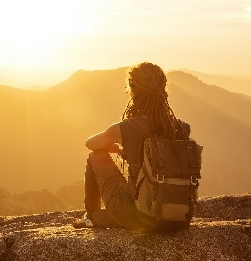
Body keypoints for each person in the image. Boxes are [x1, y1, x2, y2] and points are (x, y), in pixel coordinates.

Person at [73, 62, 191, 231]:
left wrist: (118, 147)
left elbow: (90, 143)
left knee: (96, 156)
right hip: (176, 215)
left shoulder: (127, 128)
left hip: (138, 216)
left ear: (133, 90)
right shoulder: (181, 128)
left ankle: (91, 216)